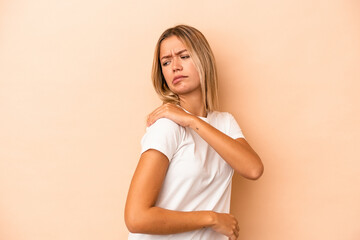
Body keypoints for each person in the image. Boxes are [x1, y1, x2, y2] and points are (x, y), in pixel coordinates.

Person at [125, 24, 264, 240]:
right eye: (166, 62)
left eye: (184, 56)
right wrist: (212, 218)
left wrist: (191, 121)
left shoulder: (224, 123)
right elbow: (136, 218)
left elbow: (253, 169)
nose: (175, 67)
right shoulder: (167, 126)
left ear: (203, 59)